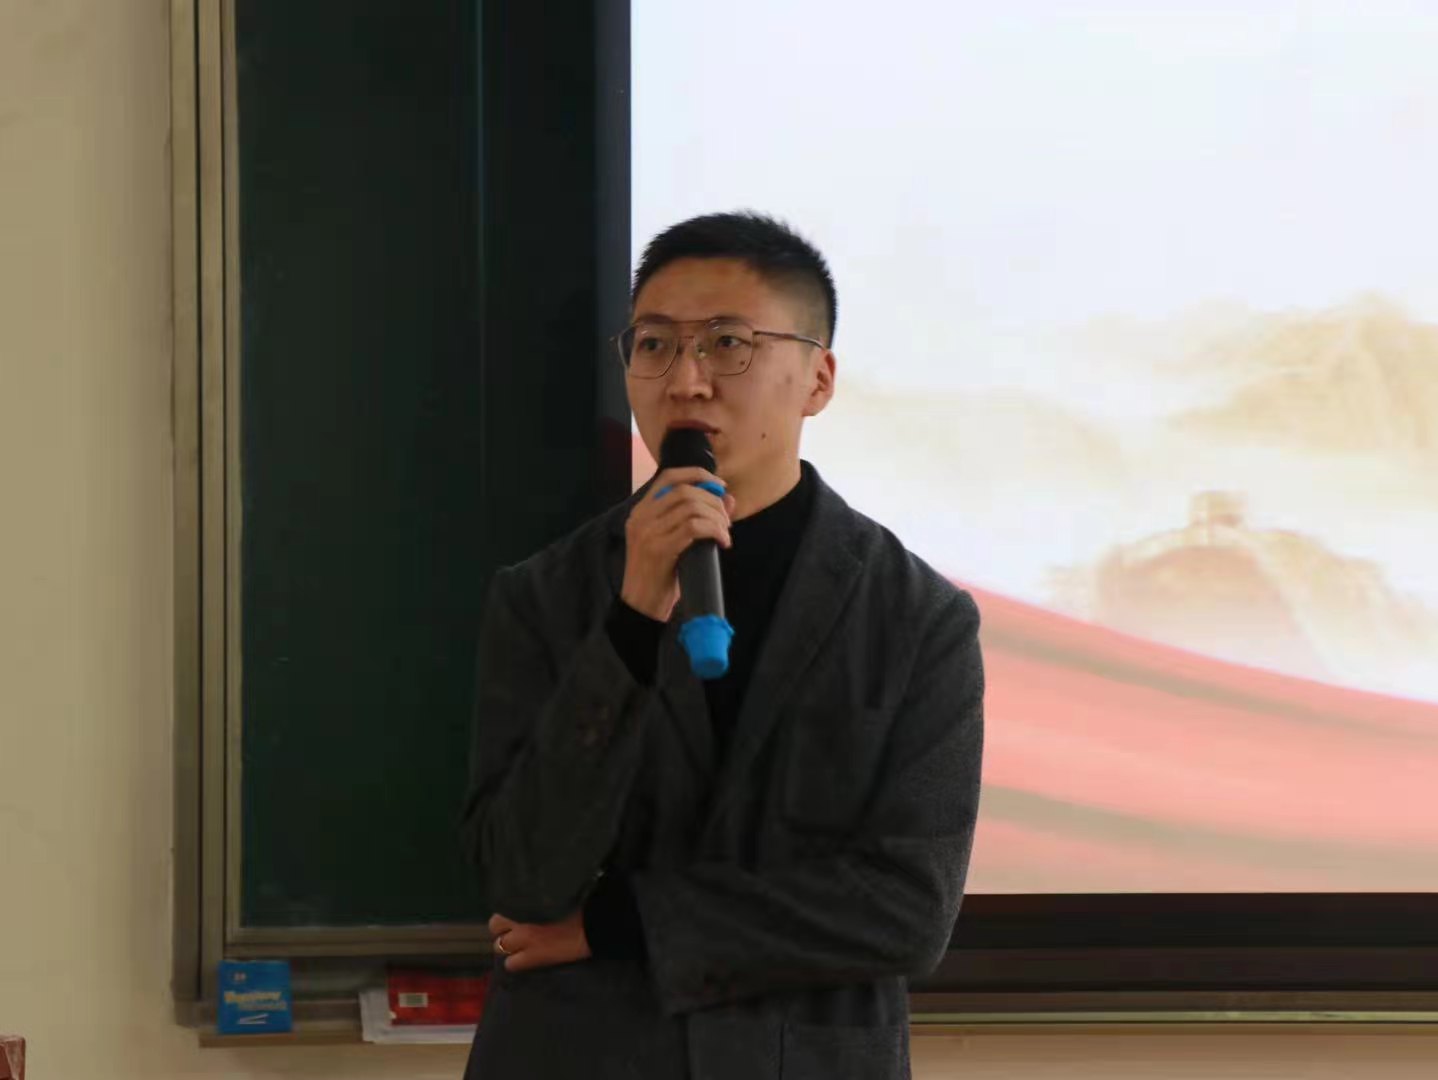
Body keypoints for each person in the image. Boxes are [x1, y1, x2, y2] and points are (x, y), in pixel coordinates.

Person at [460, 211, 984, 1080]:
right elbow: (521, 875)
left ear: (818, 379)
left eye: (728, 344)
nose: (686, 381)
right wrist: (632, 617)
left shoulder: (916, 618)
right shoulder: (544, 596)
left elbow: (906, 910)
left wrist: (618, 923)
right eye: (654, 345)